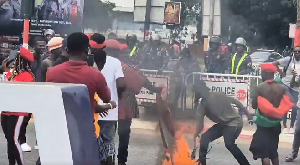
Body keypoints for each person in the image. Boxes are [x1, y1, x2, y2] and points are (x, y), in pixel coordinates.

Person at [193, 80, 253, 165]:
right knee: (204, 138)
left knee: (229, 144)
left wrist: (248, 115)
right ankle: (202, 163)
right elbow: (200, 124)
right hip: (224, 124)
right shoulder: (203, 104)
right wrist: (197, 133)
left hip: (234, 122)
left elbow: (236, 102)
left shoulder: (215, 97)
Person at [88, 34, 125, 165]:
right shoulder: (115, 63)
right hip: (109, 111)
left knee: (90, 143)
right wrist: (117, 97)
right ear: (104, 46)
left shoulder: (85, 61)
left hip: (90, 111)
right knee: (108, 142)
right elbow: (121, 84)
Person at [250, 63, 294, 165]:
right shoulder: (282, 88)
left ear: (265, 73)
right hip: (275, 125)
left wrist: (264, 105)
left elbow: (254, 106)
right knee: (273, 153)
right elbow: (291, 101)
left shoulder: (259, 88)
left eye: (261, 73)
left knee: (264, 155)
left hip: (263, 125)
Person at [1, 47, 35, 165]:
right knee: (9, 140)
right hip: (5, 111)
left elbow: (26, 96)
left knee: (14, 140)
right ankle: (11, 163)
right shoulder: (10, 73)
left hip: (18, 112)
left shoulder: (27, 76)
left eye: (17, 58)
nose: (14, 61)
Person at [273, 46, 300, 134]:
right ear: (293, 52)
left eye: (299, 51)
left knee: (295, 106)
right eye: (295, 51)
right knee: (285, 105)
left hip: (295, 86)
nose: (297, 53)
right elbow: (274, 63)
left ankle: (291, 126)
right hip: (285, 85)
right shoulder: (288, 59)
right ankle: (284, 125)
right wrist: (281, 72)